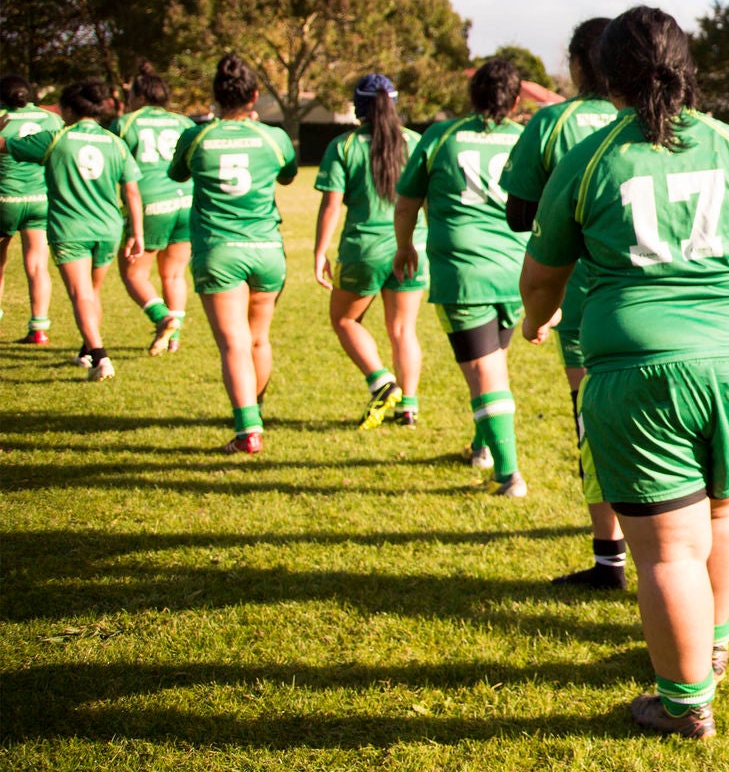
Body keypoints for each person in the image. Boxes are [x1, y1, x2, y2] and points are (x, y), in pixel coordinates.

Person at [520, 6, 729, 738]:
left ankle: (684, 699)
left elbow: (541, 276)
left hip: (642, 374)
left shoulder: (593, 157)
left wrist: (536, 317)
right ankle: (715, 641)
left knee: (669, 547)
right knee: (724, 510)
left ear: (609, 79)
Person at [502, 18, 625, 588]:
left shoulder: (557, 121)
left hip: (584, 302)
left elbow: (521, 213)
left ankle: (610, 558)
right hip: (675, 300)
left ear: (580, 63)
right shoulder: (663, 122)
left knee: (594, 427)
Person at [394, 58, 530, 497]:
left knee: (485, 371)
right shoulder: (526, 139)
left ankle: (509, 475)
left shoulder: (440, 136)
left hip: (464, 270)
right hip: (515, 270)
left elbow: (406, 200)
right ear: (515, 99)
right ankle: (483, 444)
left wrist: (405, 245)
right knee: (492, 365)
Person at [169, 55, 298, 450]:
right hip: (266, 249)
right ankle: (253, 412)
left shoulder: (197, 137)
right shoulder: (273, 138)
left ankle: (248, 432)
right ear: (255, 95)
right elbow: (289, 174)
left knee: (234, 345)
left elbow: (177, 174)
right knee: (258, 339)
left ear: (215, 96)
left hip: (219, 250)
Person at [2, 79, 145, 380]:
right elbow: (132, 191)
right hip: (108, 228)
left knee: (80, 293)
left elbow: (4, 146)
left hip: (71, 228)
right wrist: (137, 232)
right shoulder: (114, 142)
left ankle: (100, 356)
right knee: (92, 292)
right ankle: (86, 352)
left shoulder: (56, 138)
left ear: (67, 108)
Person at [313, 75, 425, 430]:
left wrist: (319, 252)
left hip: (364, 249)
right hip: (412, 249)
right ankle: (408, 407)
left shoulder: (344, 146)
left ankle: (381, 381)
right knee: (403, 329)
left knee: (345, 320)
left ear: (358, 106)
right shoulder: (416, 142)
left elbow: (331, 206)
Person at [113, 63, 197, 356]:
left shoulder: (125, 122)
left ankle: (163, 317)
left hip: (149, 203)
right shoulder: (185, 122)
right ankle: (174, 339)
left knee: (134, 274)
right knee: (173, 274)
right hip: (187, 199)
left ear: (138, 95)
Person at [0, 74, 60, 345]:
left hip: (5, 199)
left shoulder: (2, 117)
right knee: (37, 264)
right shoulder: (50, 118)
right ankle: (39, 327)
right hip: (40, 198)